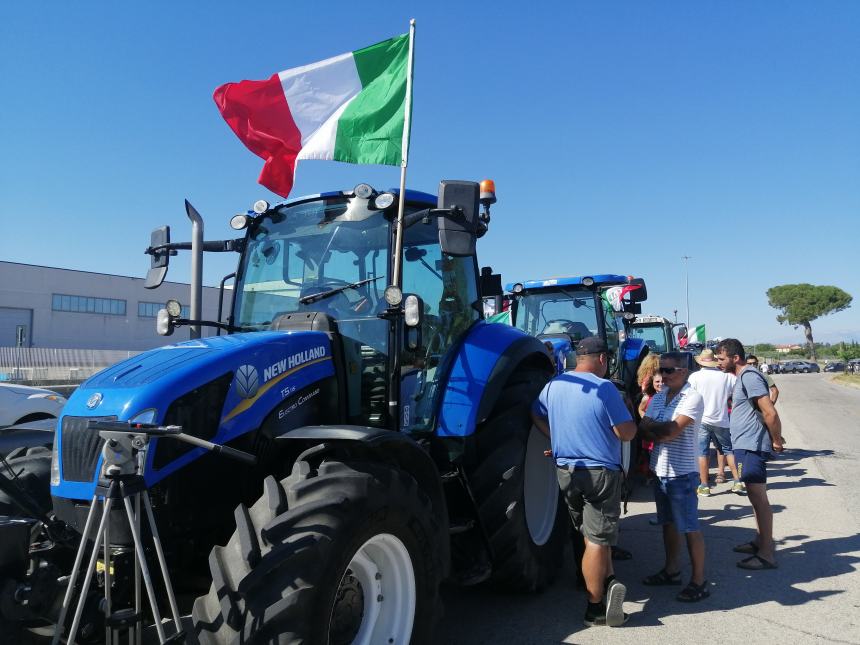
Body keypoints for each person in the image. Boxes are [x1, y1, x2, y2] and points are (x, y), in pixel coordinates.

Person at [531, 336, 637, 627]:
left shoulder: (554, 386)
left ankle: (610, 579)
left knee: (591, 535)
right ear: (602, 359)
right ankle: (594, 607)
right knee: (597, 538)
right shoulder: (604, 389)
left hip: (566, 471)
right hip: (599, 474)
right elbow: (626, 433)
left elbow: (536, 413)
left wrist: (556, 437)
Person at [639, 352, 709, 602]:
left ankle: (699, 581)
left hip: (682, 474)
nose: (663, 375)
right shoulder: (658, 397)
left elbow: (669, 432)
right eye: (661, 370)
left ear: (683, 371)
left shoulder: (692, 397)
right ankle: (672, 570)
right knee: (667, 524)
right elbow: (643, 429)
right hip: (660, 471)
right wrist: (655, 430)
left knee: (689, 527)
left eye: (669, 371)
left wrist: (654, 429)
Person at [716, 339, 784, 570]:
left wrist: (776, 440)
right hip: (745, 445)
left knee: (759, 498)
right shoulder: (743, 377)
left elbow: (769, 412)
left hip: (752, 446)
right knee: (754, 497)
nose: (718, 362)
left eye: (722, 358)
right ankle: (759, 542)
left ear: (735, 358)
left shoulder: (750, 376)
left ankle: (766, 554)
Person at [687, 349, 743, 496]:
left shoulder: (695, 377)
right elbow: (737, 394)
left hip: (701, 420)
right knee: (728, 450)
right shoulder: (727, 377)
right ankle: (738, 482)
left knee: (702, 452)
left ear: (700, 362)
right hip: (722, 419)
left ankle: (704, 485)